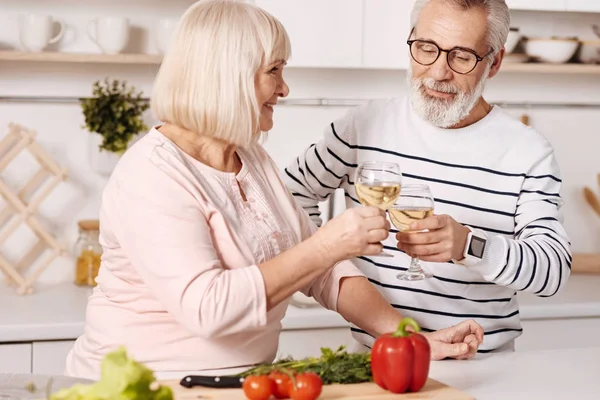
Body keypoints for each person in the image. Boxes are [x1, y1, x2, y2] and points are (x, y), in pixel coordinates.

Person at [64, 0, 484, 381]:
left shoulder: (252, 159)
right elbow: (208, 308)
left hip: (240, 384)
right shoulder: (152, 175)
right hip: (146, 386)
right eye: (274, 71)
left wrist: (410, 336)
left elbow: (324, 272)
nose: (284, 88)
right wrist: (327, 244)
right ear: (226, 74)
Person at [285, 0, 572, 354]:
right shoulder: (363, 126)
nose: (438, 72)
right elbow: (290, 196)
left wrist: (469, 245)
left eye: (462, 56)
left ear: (494, 62)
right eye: (426, 48)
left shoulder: (528, 152)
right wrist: (333, 265)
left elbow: (553, 272)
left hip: (484, 368)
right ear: (411, 41)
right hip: (377, 359)